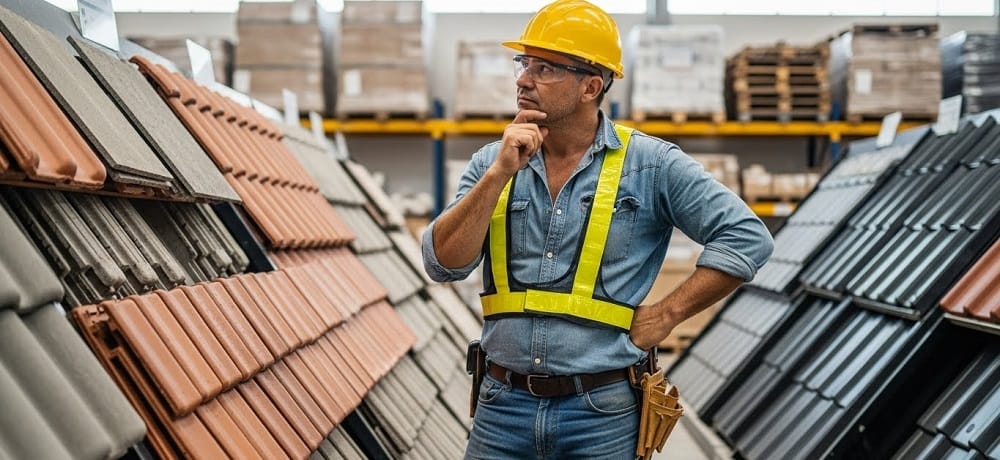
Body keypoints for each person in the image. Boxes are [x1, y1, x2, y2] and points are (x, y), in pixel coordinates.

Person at [422, 1, 774, 458]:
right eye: (524, 63)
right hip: (500, 409)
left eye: (545, 68)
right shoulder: (492, 162)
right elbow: (442, 265)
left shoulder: (651, 165)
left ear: (590, 86)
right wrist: (498, 176)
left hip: (601, 414)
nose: (523, 79)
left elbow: (747, 236)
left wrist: (667, 315)